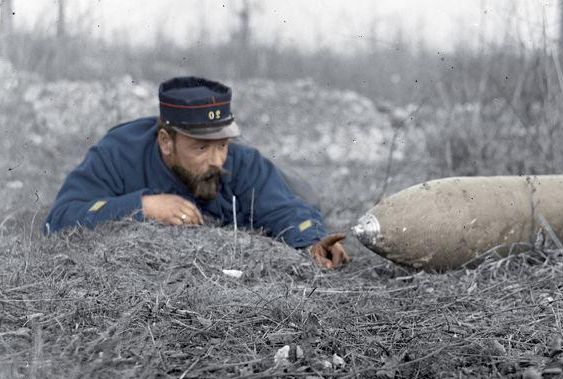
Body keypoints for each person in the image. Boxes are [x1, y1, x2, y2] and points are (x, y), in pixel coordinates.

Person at [44, 76, 349, 269]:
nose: (217, 160)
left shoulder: (241, 161)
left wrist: (313, 240)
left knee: (302, 195)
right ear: (166, 141)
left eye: (222, 145)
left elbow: (284, 209)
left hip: (293, 187)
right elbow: (61, 217)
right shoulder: (118, 152)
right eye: (201, 148)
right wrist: (144, 206)